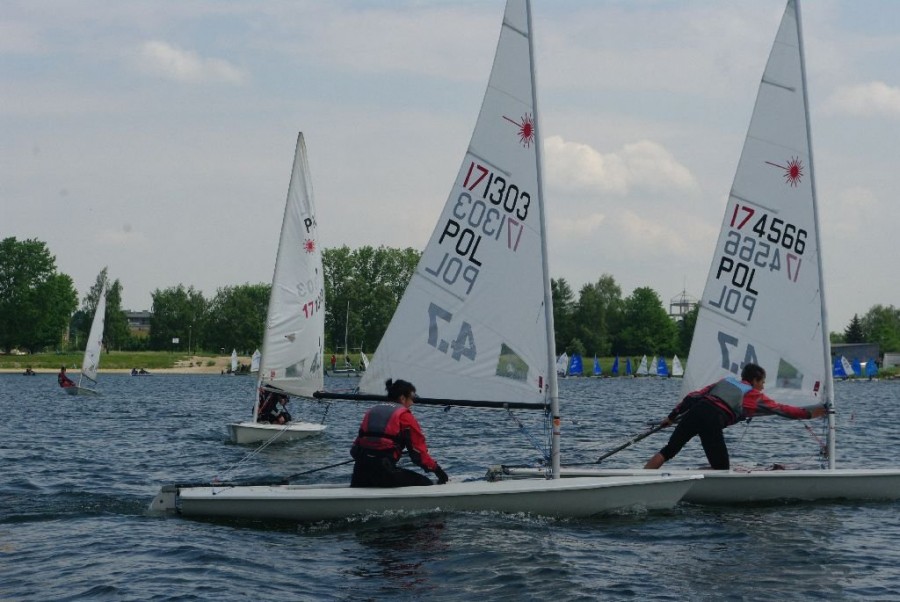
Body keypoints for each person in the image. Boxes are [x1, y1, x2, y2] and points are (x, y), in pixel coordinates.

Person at [644, 363, 827, 470]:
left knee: (668, 451)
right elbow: (782, 409)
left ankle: (641, 477)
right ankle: (708, 481)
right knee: (722, 469)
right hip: (712, 420)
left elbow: (693, 396)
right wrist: (809, 414)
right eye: (762, 382)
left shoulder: (726, 381)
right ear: (754, 380)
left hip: (695, 412)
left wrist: (671, 417)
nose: (763, 386)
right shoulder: (754, 394)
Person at [350, 378, 449, 487]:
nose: (412, 402)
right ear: (402, 398)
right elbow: (418, 454)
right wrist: (438, 471)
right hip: (383, 473)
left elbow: (354, 450)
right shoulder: (404, 416)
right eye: (411, 398)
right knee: (425, 483)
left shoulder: (372, 411)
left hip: (359, 474)